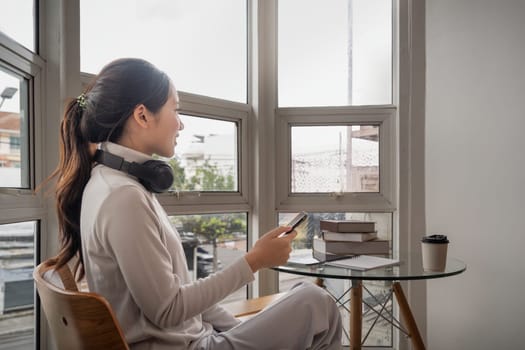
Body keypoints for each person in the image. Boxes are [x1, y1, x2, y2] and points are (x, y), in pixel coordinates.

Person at [48, 58, 342, 350]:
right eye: (175, 109)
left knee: (308, 297)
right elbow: (168, 309)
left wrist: (245, 330)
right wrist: (255, 260)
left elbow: (183, 297)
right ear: (142, 115)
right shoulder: (122, 197)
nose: (181, 123)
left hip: (199, 337)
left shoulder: (118, 185)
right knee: (317, 302)